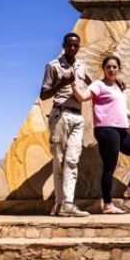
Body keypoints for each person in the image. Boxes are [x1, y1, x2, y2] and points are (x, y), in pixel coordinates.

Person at [73, 55, 130, 214]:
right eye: (108, 67)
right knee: (110, 166)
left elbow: (122, 109)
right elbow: (83, 97)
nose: (111, 69)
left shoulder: (118, 87)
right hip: (106, 130)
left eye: (114, 67)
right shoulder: (98, 85)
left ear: (118, 69)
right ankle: (108, 205)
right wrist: (72, 84)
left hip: (120, 130)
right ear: (103, 69)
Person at [40, 33, 92, 217]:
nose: (72, 48)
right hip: (60, 114)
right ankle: (60, 204)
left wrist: (114, 83)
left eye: (75, 46)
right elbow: (44, 94)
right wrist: (62, 83)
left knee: (72, 160)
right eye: (69, 45)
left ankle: (67, 204)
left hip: (78, 116)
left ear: (78, 47)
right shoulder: (52, 66)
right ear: (63, 45)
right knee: (60, 161)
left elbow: (92, 84)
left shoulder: (81, 66)